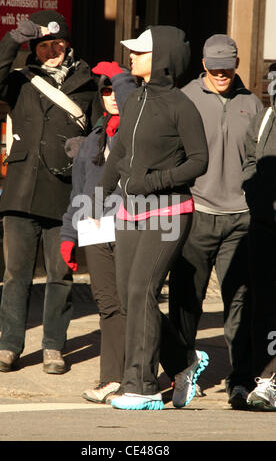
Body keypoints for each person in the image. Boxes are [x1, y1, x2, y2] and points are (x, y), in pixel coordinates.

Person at [92, 26, 209, 410]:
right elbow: (121, 153)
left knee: (141, 291)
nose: (132, 57)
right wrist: (98, 199)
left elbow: (198, 161)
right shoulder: (136, 99)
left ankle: (140, 386)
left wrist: (154, 182)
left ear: (161, 60)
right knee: (129, 298)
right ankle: (183, 362)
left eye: (140, 53)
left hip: (169, 213)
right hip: (130, 212)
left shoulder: (181, 105)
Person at [0, 10, 101, 374]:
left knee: (59, 274)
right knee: (16, 274)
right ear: (35, 49)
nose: (52, 51)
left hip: (64, 193)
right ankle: (9, 346)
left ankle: (53, 347)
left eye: (58, 43)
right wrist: (13, 40)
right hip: (21, 190)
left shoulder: (89, 83)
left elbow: (100, 135)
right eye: (44, 45)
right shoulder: (21, 81)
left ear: (68, 45)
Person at [169, 34, 263, 409]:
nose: (222, 73)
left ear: (237, 64)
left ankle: (240, 380)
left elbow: (259, 156)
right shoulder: (185, 98)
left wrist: (252, 197)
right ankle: (180, 371)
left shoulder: (252, 103)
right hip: (195, 215)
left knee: (239, 303)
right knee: (185, 300)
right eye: (215, 67)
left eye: (228, 66)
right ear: (204, 64)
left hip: (239, 220)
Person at [60, 61, 136, 403]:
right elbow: (78, 194)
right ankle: (112, 379)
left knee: (135, 304)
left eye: (117, 89)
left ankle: (172, 363)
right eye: (106, 90)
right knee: (107, 305)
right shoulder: (91, 140)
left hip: (133, 228)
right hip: (94, 229)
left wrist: (121, 79)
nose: (113, 96)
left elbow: (132, 104)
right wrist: (67, 236)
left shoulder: (138, 130)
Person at [242, 87, 276, 410]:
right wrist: (254, 196)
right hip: (264, 227)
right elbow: (250, 160)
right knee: (263, 305)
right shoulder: (263, 119)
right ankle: (264, 379)